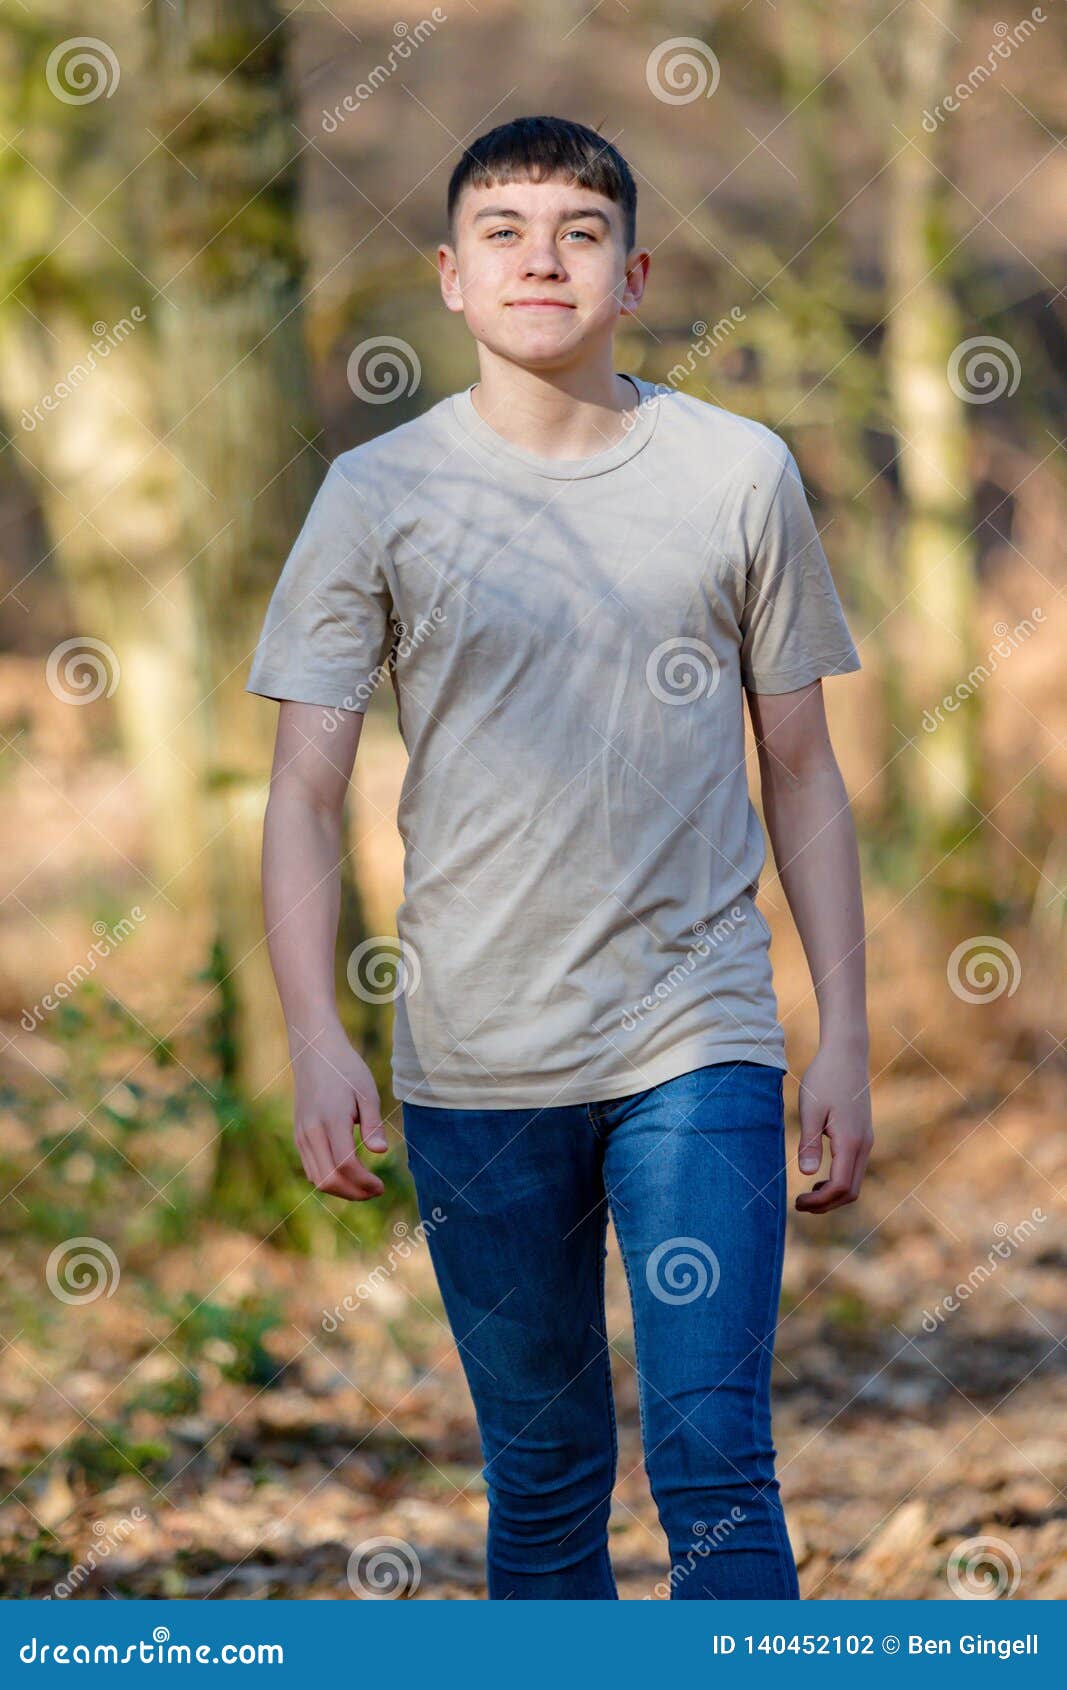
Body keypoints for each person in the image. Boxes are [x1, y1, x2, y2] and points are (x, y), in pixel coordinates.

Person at [245, 115, 873, 1600]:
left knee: (715, 1457)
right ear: (452, 279)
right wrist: (313, 1033)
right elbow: (300, 793)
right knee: (540, 1483)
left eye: (579, 233)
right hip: (473, 1057)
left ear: (634, 273)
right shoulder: (377, 497)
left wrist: (846, 1031)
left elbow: (804, 769)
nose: (544, 258)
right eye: (507, 232)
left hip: (697, 1034)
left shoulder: (738, 473)